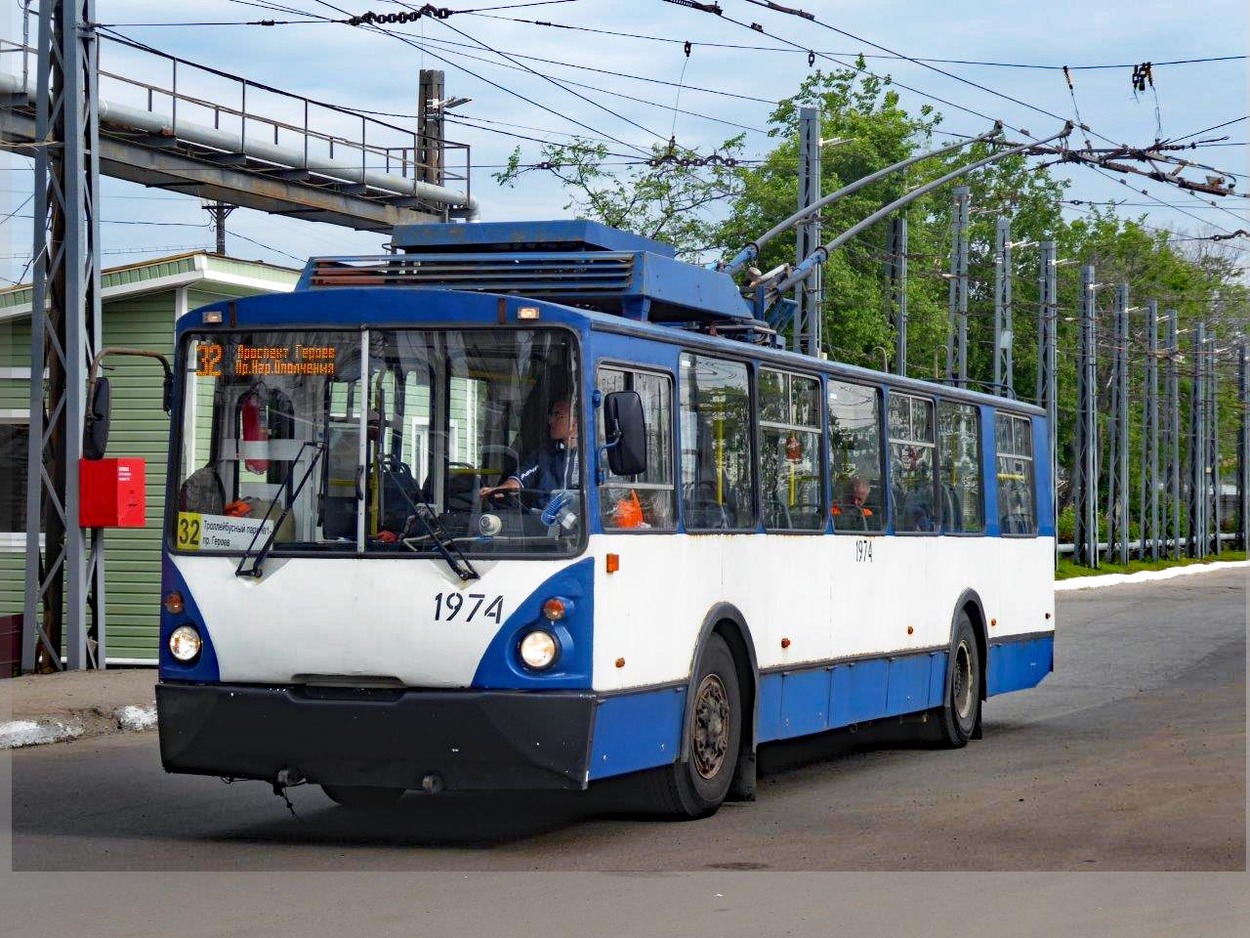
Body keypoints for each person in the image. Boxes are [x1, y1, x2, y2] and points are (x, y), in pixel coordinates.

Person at [480, 398, 579, 504]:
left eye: (558, 416)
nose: (551, 421)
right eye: (551, 416)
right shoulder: (545, 454)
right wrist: (500, 489)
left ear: (575, 423)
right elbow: (521, 478)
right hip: (542, 513)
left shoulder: (588, 457)